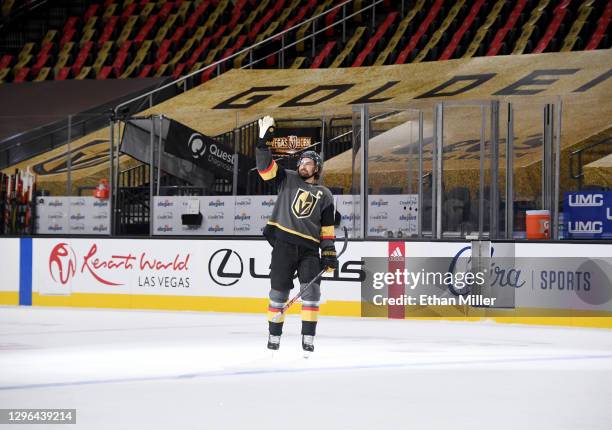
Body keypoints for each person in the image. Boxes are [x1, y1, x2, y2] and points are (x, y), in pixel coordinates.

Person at [256, 115, 338, 353]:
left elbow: (327, 229)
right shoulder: (286, 179)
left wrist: (329, 253)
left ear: (317, 169)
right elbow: (264, 168)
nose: (302, 165)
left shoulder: (325, 195)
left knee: (312, 292)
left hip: (310, 250)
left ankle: (308, 338)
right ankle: (274, 336)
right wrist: (263, 144)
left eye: (308, 163)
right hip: (283, 244)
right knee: (278, 292)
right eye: (301, 161)